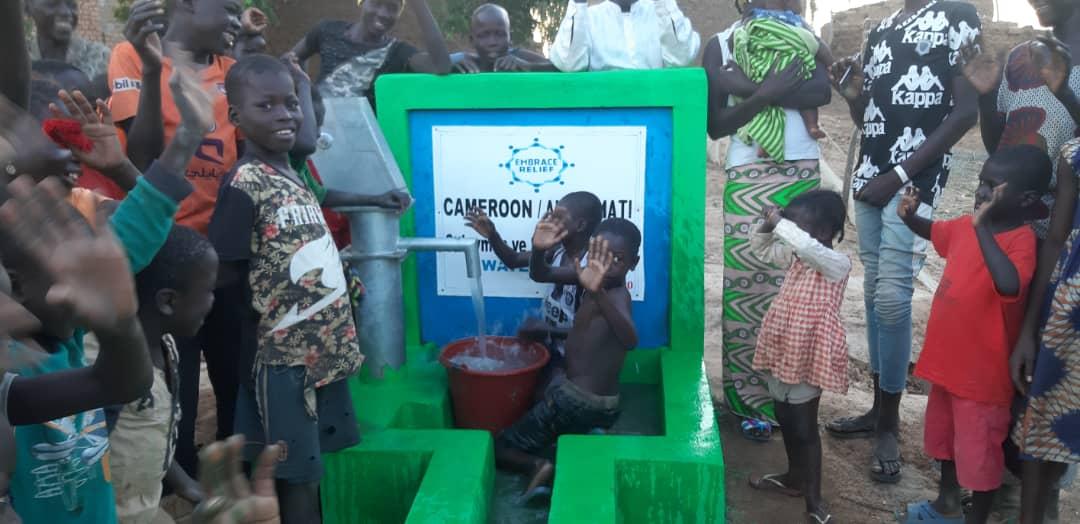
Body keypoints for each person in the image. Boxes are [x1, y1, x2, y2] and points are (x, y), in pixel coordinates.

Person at [208, 54, 405, 523]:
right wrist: (264, 329)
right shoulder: (244, 183)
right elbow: (226, 273)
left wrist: (301, 83)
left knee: (313, 460)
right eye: (266, 106)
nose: (284, 115)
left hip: (321, 351)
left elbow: (308, 140)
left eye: (291, 104)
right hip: (282, 358)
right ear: (236, 117)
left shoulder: (294, 172)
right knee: (295, 473)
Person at [825, 0, 981, 484]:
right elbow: (870, 118)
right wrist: (853, 96)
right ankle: (878, 408)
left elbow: (966, 113)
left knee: (893, 300)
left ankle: (890, 424)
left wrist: (896, 175)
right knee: (876, 296)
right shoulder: (882, 29)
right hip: (871, 176)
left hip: (914, 182)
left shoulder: (957, 14)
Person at [109, 0, 247, 475]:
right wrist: (153, 75)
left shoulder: (232, 71)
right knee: (176, 385)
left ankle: (233, 479)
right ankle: (175, 481)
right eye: (228, 7)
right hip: (164, 254)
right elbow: (141, 156)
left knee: (234, 378)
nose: (236, 19)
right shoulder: (133, 57)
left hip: (225, 257)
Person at [895, 145, 1050, 524]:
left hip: (982, 379)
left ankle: (975, 518)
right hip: (947, 365)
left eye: (992, 186)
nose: (981, 191)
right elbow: (936, 232)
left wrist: (981, 229)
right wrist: (911, 217)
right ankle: (946, 504)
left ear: (1025, 199)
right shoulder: (966, 225)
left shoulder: (1021, 240)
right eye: (981, 181)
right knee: (946, 443)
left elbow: (1010, 284)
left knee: (980, 455)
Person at [704, 0, 832, 439]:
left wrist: (752, 87)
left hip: (802, 173)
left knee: (797, 288)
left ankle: (794, 399)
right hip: (748, 174)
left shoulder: (801, 34)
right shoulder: (721, 44)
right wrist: (767, 93)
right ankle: (748, 404)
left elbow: (821, 93)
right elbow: (716, 124)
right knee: (748, 286)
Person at [495, 216, 640, 500]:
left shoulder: (616, 295)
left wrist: (597, 293)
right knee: (549, 399)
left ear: (633, 263)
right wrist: (539, 249)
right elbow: (541, 274)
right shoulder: (588, 276)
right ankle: (588, 434)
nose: (607, 265)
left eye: (618, 259)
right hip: (602, 405)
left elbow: (630, 340)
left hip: (576, 401)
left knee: (501, 446)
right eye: (600, 255)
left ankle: (537, 467)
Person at [746, 190, 850, 524]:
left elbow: (807, 247)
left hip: (808, 354)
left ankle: (814, 498)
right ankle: (793, 478)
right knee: (784, 415)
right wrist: (769, 224)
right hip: (782, 347)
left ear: (824, 231)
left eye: (795, 225)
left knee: (805, 428)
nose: (787, 230)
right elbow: (760, 247)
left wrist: (780, 222)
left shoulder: (836, 264)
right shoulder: (796, 257)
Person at [108, 226, 217, 523]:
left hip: (143, 506)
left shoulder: (166, 344)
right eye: (208, 291)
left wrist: (185, 484)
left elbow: (147, 431)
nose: (213, 301)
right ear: (168, 301)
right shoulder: (107, 364)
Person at [465, 192, 604, 364]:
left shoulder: (592, 267)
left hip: (578, 360)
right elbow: (513, 260)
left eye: (559, 217)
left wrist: (547, 330)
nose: (551, 221)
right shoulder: (557, 251)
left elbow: (592, 332)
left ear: (580, 225)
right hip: (552, 350)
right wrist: (492, 235)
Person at [286, 0, 452, 113]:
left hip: (361, 142)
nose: (383, 13)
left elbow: (441, 66)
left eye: (392, 8)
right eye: (376, 3)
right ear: (362, 2)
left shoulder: (398, 52)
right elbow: (289, 62)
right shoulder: (327, 30)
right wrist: (305, 91)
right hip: (318, 132)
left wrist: (419, 3)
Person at [732, 0, 836, 147]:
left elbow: (814, 42)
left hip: (780, 64)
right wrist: (831, 65)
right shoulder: (756, 18)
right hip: (776, 63)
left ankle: (807, 126)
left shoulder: (758, 17)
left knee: (769, 105)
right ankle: (811, 125)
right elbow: (817, 44)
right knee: (771, 100)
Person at [548, 0, 700, 72]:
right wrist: (578, 3)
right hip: (604, 115)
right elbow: (568, 63)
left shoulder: (660, 14)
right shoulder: (589, 18)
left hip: (657, 112)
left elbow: (682, 57)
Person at [24, 0, 110, 89]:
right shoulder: (19, 61)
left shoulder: (101, 58)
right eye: (52, 4)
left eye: (71, 5)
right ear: (27, 8)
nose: (66, 12)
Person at [452, 4, 553, 73]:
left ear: (510, 37)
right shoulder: (462, 63)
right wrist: (450, 69)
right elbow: (441, 66)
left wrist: (528, 67)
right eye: (484, 35)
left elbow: (558, 67)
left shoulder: (519, 58)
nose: (492, 42)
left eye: (500, 34)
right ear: (472, 40)